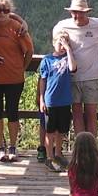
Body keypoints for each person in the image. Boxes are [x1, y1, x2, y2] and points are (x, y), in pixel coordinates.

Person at [0, 0, 34, 163]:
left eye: (5, 10)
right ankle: (0, 147)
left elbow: (29, 51)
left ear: (10, 11)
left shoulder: (17, 27)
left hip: (14, 78)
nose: (1, 13)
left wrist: (22, 67)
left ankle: (13, 147)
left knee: (13, 113)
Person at [52, 0, 98, 136]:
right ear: (70, 12)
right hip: (71, 77)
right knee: (76, 113)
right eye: (74, 12)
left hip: (92, 76)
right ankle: (80, 145)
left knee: (91, 113)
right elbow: (56, 44)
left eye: (81, 12)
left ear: (87, 12)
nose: (77, 15)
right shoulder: (62, 26)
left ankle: (91, 146)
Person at [37, 30, 77, 171]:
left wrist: (68, 49)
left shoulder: (68, 58)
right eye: (60, 42)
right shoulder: (47, 60)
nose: (62, 45)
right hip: (51, 101)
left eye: (65, 42)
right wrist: (41, 99)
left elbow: (73, 68)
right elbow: (43, 80)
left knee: (61, 130)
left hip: (65, 101)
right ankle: (50, 157)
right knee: (50, 130)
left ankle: (58, 154)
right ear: (53, 43)